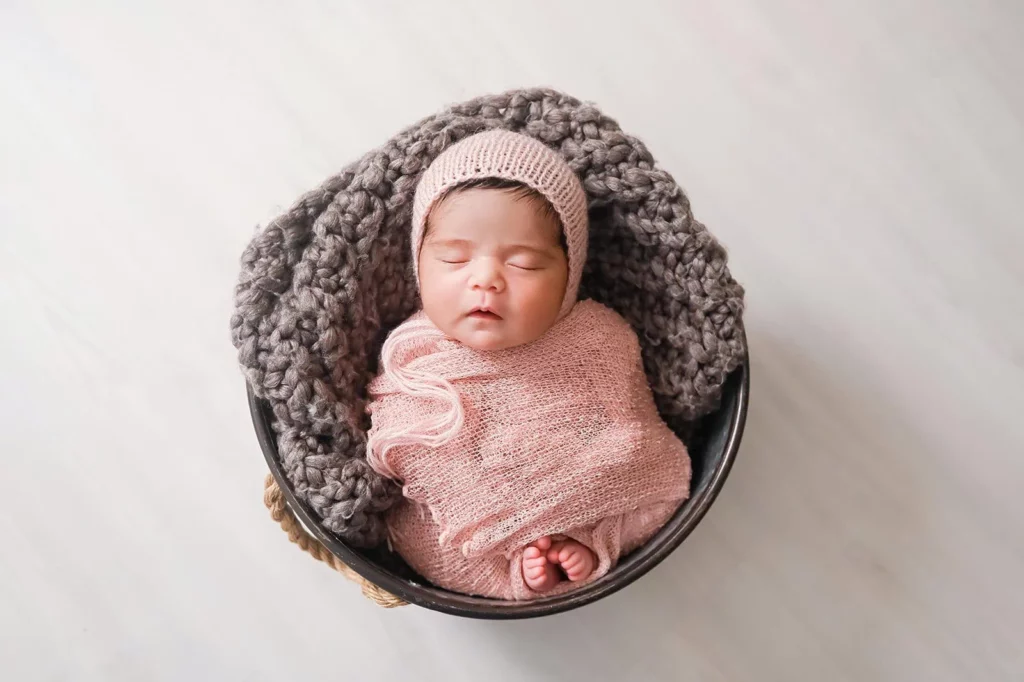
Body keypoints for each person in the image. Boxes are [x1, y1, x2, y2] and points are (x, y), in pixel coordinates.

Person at [366, 130, 691, 599]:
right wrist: (501, 507)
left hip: (592, 503)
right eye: (455, 258)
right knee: (420, 528)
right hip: (470, 534)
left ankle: (586, 546)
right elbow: (403, 444)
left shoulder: (599, 338)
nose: (486, 280)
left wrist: (574, 515)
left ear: (570, 274)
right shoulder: (415, 351)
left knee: (657, 495)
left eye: (523, 264)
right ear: (419, 264)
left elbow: (629, 437)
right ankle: (516, 573)